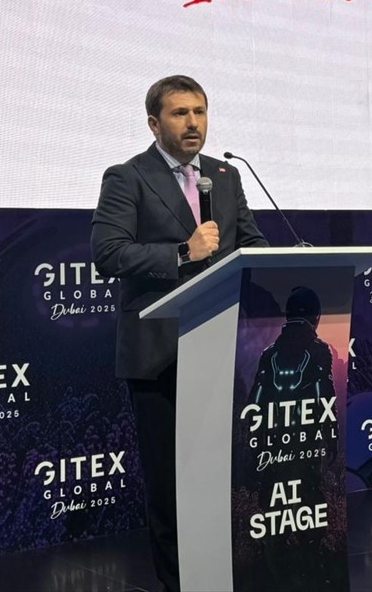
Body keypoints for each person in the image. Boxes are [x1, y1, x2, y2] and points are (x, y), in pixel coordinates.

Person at [91, 75, 268, 592]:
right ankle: (179, 583)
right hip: (159, 353)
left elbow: (249, 240)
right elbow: (108, 253)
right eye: (180, 113)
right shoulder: (128, 177)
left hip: (221, 345)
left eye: (200, 112)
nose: (193, 123)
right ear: (154, 123)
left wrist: (282, 263)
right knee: (171, 484)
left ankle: (224, 576)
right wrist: (182, 252)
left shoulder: (225, 175)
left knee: (223, 476)